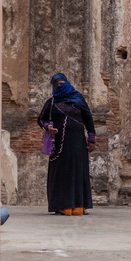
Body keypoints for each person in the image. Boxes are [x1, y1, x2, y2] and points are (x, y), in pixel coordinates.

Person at [38, 72, 96, 215]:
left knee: (78, 172)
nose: (60, 86)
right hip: (59, 146)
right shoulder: (52, 102)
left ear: (67, 83)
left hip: (77, 144)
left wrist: (91, 139)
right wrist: (47, 127)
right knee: (61, 174)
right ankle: (61, 206)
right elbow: (40, 119)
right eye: (57, 84)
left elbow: (88, 119)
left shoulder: (78, 99)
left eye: (62, 83)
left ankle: (79, 206)